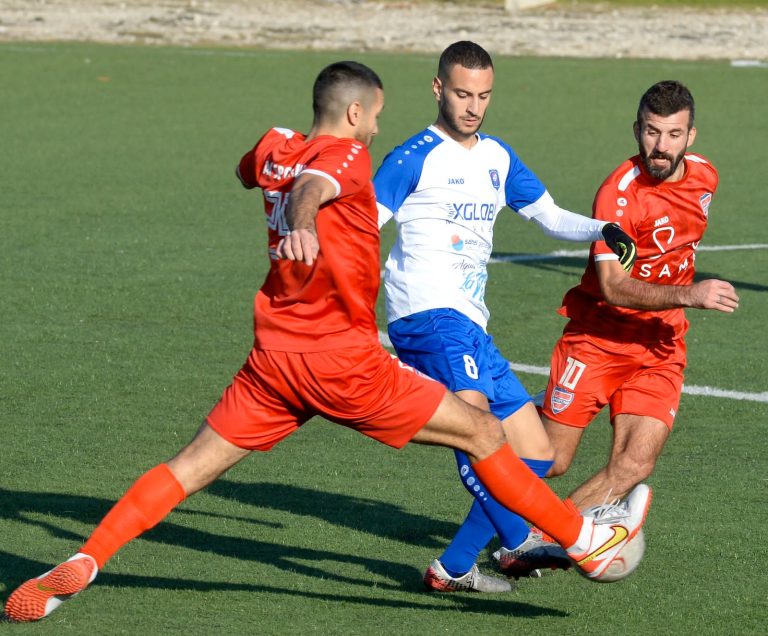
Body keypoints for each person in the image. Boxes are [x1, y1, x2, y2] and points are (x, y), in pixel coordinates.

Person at [2, 60, 650, 624]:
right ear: (355, 112)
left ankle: (88, 558)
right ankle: (585, 541)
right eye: (375, 118)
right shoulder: (349, 158)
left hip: (271, 363)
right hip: (343, 361)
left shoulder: (275, 145)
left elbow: (250, 169)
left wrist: (282, 184)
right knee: (482, 432)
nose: (376, 130)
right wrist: (304, 219)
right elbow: (316, 186)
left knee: (187, 469)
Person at [374, 40, 638, 593]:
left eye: (483, 96)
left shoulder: (497, 157)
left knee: (537, 451)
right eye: (462, 94)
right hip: (427, 314)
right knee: (477, 430)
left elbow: (549, 216)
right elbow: (359, 227)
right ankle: (519, 539)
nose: (473, 107)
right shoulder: (411, 157)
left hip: (471, 323)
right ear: (438, 89)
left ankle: (453, 568)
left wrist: (602, 229)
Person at [539, 79, 739, 510]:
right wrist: (690, 295)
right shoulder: (619, 196)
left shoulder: (705, 176)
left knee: (635, 463)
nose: (661, 147)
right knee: (550, 460)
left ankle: (547, 535)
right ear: (637, 130)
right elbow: (612, 286)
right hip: (598, 341)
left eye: (673, 134)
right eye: (652, 132)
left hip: (661, 344)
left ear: (690, 136)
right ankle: (498, 430)